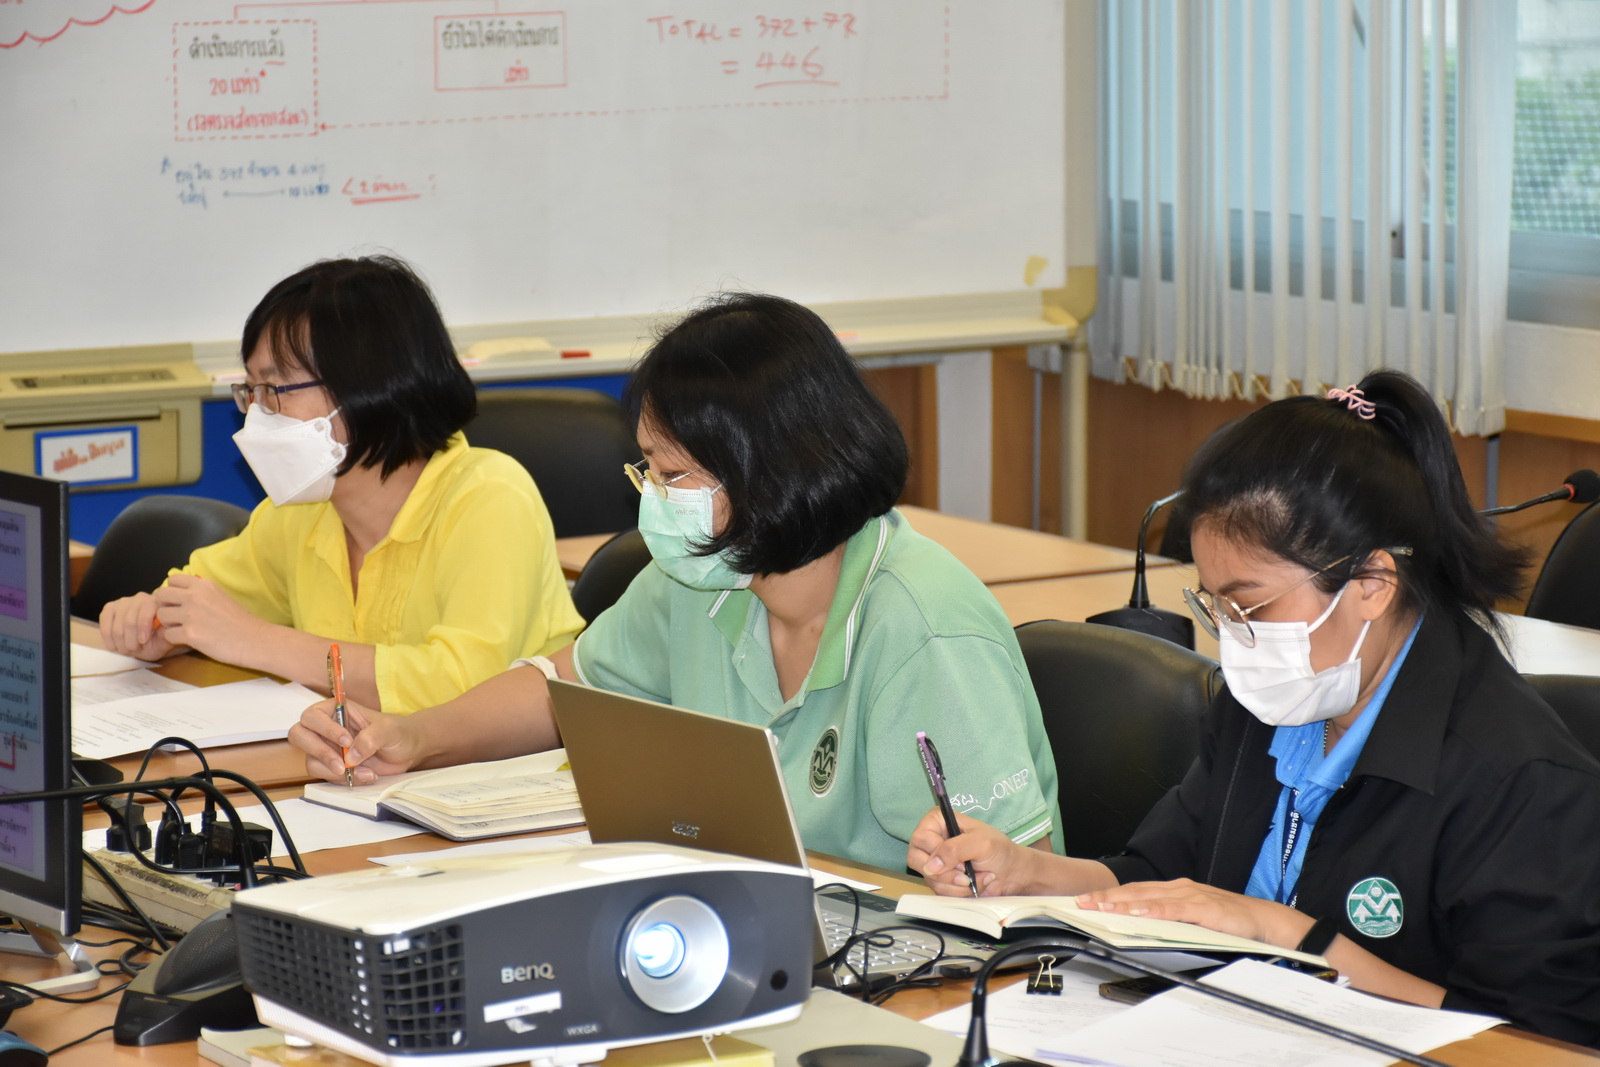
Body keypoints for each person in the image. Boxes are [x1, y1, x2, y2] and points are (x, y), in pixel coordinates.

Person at [909, 370, 1600, 1045]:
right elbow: (1160, 877)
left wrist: (1289, 934)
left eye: (1252, 606)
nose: (1233, 637)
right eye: (1216, 605)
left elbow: (1538, 1044)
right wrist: (1029, 873)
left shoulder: (1521, 782)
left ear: (1372, 582)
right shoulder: (1275, 699)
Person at [290, 291, 1063, 871]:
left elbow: (1009, 882)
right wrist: (416, 737)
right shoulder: (710, 575)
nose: (653, 498)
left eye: (673, 474)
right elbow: (566, 684)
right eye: (648, 469)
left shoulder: (922, 627)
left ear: (773, 471)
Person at [99, 255, 583, 714]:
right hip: (356, 761)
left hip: (507, 769)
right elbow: (201, 604)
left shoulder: (490, 496)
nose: (257, 415)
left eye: (275, 390)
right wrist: (155, 622)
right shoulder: (301, 510)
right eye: (251, 390)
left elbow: (467, 685)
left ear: (369, 387)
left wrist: (258, 641)